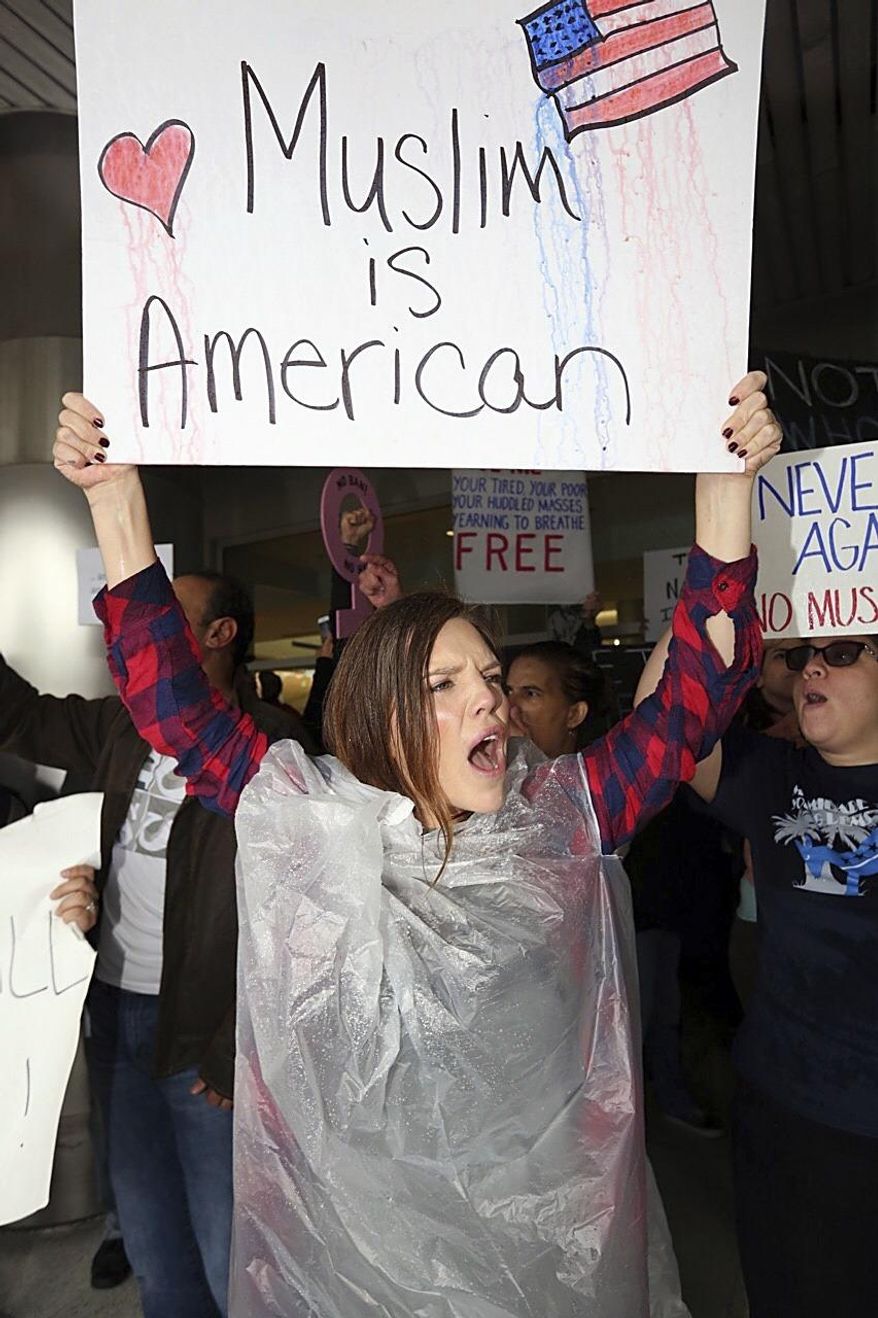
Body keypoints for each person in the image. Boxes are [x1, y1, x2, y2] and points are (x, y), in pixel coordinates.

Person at [52, 374, 779, 1317]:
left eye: (489, 674)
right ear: (382, 714)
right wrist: (116, 498)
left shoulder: (565, 819)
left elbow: (696, 695)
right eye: (443, 684)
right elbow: (176, 707)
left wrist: (724, 485)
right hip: (358, 1266)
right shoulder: (312, 826)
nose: (487, 696)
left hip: (538, 1261)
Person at [0, 572, 313, 1318]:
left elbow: (307, 917)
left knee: (231, 1256)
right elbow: (17, 714)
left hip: (207, 1043)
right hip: (113, 1024)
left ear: (218, 635)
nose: (136, 629)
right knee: (155, 1252)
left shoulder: (273, 747)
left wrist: (242, 1041)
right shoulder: (121, 725)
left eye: (166, 614)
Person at [505, 640, 615, 757]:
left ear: (575, 714)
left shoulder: (598, 772)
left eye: (531, 693)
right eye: (508, 691)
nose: (509, 706)